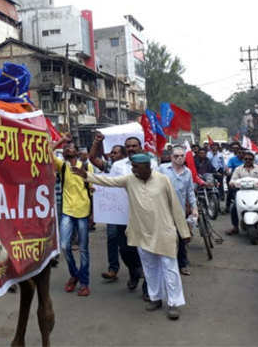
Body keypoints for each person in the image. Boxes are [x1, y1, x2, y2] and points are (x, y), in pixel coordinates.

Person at [76, 154, 191, 320]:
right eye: (132, 166)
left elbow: (175, 206)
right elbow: (109, 181)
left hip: (163, 232)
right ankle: (155, 298)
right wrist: (87, 176)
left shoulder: (163, 180)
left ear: (146, 166)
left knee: (170, 269)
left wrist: (184, 232)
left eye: (136, 167)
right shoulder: (130, 179)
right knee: (150, 268)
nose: (133, 169)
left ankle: (173, 303)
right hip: (141, 232)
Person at [89, 133, 150, 296]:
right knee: (125, 250)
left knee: (145, 252)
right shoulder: (118, 166)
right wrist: (99, 191)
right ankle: (134, 272)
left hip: (144, 217)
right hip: (122, 217)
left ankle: (148, 288)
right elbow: (110, 184)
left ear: (140, 147)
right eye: (128, 146)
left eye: (134, 146)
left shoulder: (151, 164)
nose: (131, 148)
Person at [52, 138, 93, 297]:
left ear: (77, 151)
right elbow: (46, 152)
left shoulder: (86, 166)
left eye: (70, 147)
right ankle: (74, 274)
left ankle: (84, 283)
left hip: (83, 212)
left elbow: (91, 190)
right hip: (68, 211)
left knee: (83, 249)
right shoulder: (62, 166)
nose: (67, 149)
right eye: (66, 148)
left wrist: (92, 214)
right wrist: (61, 140)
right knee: (64, 246)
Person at [158, 146, 197, 276]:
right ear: (171, 157)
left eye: (181, 156)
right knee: (164, 237)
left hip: (179, 211)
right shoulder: (162, 169)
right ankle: (164, 264)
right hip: (162, 209)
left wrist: (194, 207)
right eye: (176, 156)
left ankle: (182, 264)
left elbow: (190, 192)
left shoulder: (188, 172)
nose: (179, 158)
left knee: (181, 238)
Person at [226, 151, 258, 235]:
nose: (248, 160)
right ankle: (235, 227)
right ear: (243, 159)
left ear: (253, 159)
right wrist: (232, 183)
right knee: (234, 207)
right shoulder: (238, 169)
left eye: (250, 159)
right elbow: (233, 179)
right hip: (242, 192)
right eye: (246, 159)